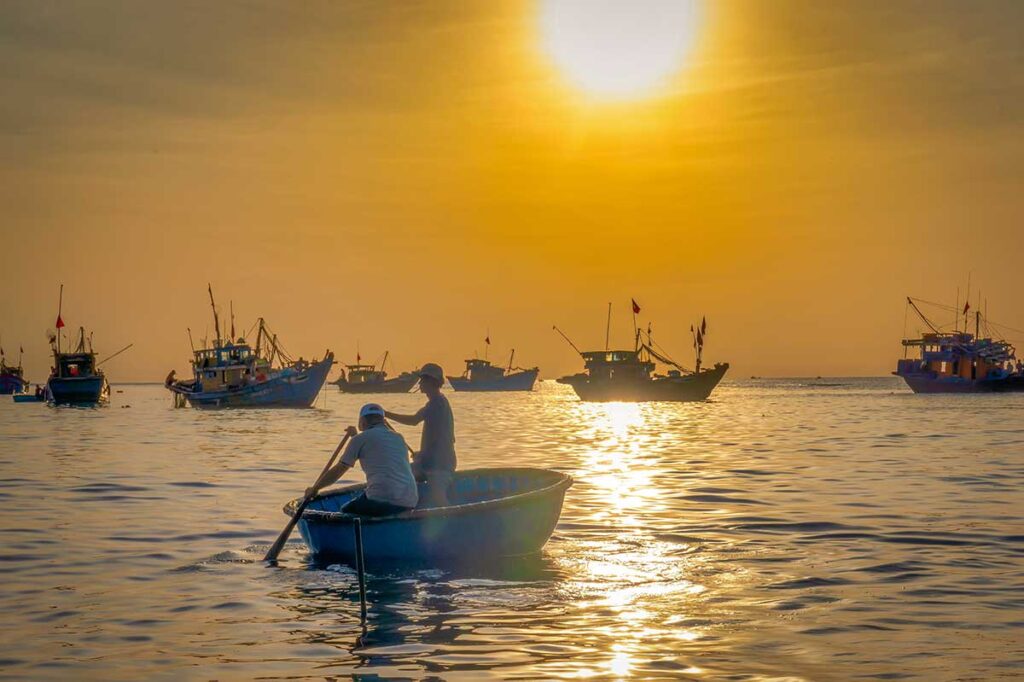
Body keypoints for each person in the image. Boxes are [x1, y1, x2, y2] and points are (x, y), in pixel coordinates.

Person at [308, 403, 418, 517]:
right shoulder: (398, 437)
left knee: (346, 510)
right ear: (383, 421)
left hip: (382, 499)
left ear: (362, 421)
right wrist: (354, 437)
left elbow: (340, 469)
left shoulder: (360, 439)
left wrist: (316, 488)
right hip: (409, 500)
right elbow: (374, 447)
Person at [385, 363, 456, 507]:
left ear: (430, 381)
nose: (420, 383)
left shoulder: (437, 403)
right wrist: (422, 454)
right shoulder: (436, 402)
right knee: (401, 477)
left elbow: (413, 420)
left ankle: (452, 523)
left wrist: (386, 414)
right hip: (429, 462)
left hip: (440, 465)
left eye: (422, 380)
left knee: (439, 499)